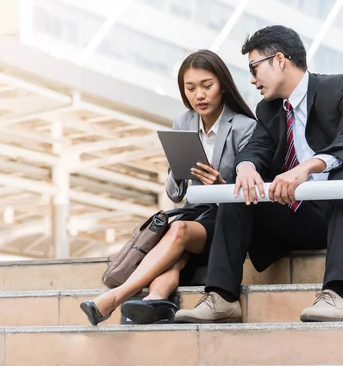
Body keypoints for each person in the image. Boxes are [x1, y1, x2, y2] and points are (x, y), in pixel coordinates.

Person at [174, 26, 343, 324]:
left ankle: (334, 294)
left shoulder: (341, 88)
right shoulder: (267, 110)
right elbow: (256, 148)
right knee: (240, 191)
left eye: (254, 68)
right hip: (310, 219)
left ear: (279, 60)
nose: (252, 79)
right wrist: (246, 168)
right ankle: (222, 298)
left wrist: (304, 169)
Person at [80, 50, 257, 325]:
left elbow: (249, 191)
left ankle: (115, 297)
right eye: (190, 88)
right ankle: (156, 300)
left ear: (222, 84)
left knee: (179, 231)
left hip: (226, 218)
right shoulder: (183, 122)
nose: (199, 95)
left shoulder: (245, 127)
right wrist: (178, 167)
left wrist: (220, 185)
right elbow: (175, 193)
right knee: (176, 252)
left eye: (207, 86)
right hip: (193, 212)